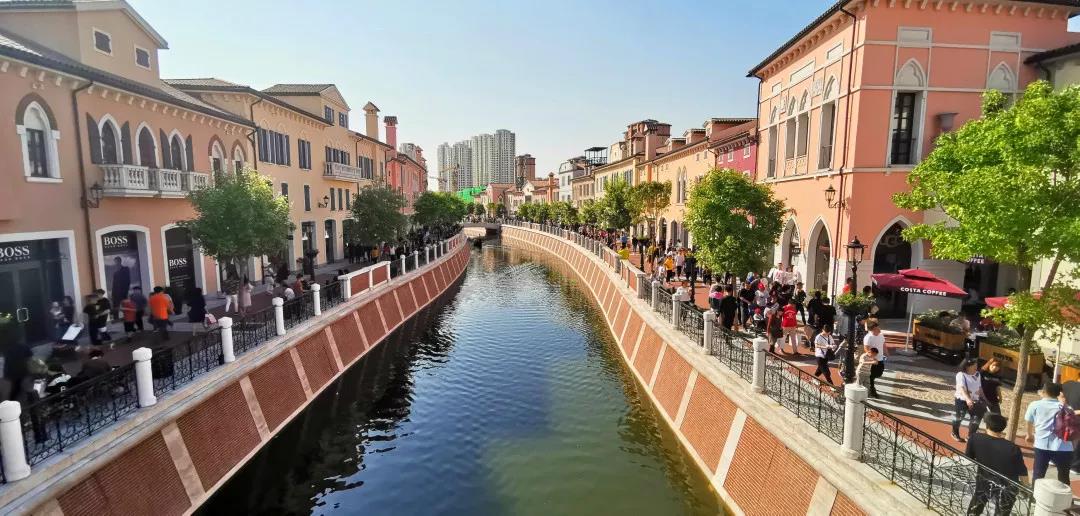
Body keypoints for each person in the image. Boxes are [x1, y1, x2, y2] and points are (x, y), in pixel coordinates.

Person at [966, 414, 1027, 516]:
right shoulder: (1012, 448)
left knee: (976, 504)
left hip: (983, 479)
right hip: (1006, 487)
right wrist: (1026, 488)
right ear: (1003, 428)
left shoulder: (975, 438)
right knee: (1002, 511)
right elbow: (1022, 472)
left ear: (987, 426)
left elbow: (969, 457)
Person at [1026, 382, 1074, 484]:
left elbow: (1029, 421)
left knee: (1038, 474)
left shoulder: (1035, 405)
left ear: (1043, 392)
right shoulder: (1066, 408)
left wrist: (1029, 435)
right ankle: (1065, 494)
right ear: (1058, 394)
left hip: (1042, 445)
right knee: (1064, 477)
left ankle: (1035, 493)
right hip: (1064, 447)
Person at [952, 358, 986, 442]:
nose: (976, 367)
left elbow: (979, 387)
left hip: (975, 400)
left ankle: (971, 436)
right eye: (974, 366)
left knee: (976, 418)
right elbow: (962, 388)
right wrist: (967, 399)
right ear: (967, 366)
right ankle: (954, 432)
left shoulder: (977, 374)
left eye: (976, 365)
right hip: (962, 400)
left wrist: (984, 398)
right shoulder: (961, 375)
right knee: (959, 417)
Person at [863, 322, 886, 398]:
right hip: (873, 360)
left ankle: (869, 386)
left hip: (880, 358)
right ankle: (872, 391)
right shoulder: (868, 337)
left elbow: (883, 344)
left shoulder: (881, 335)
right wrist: (872, 358)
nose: (879, 329)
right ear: (872, 330)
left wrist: (886, 352)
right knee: (871, 376)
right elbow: (866, 348)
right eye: (877, 328)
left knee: (879, 373)